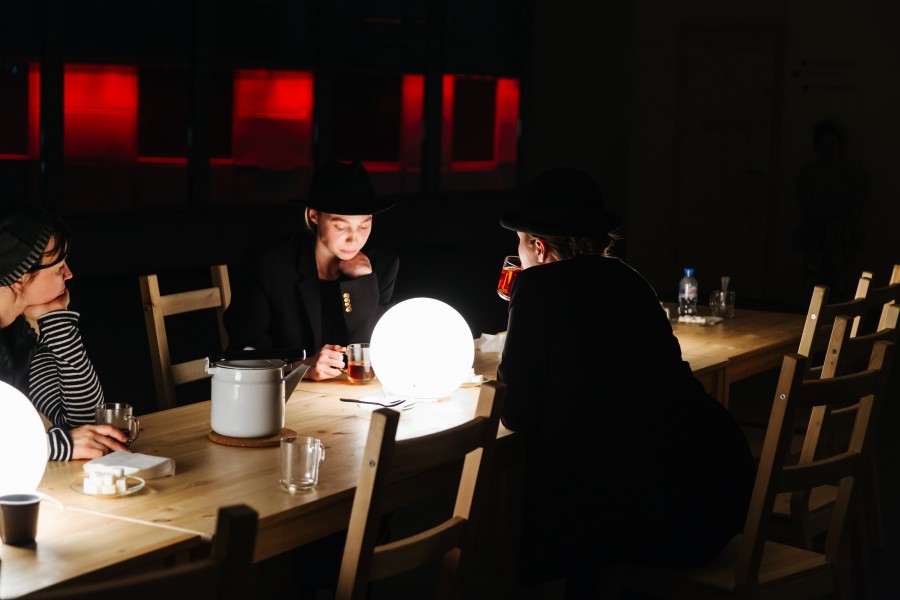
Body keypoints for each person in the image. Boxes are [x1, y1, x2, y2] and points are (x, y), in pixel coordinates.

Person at [496, 168, 756, 597]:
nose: (519, 254)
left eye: (520, 243)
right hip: (715, 497)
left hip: (650, 520)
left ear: (539, 247)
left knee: (546, 498)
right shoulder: (630, 280)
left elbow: (516, 412)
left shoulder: (538, 288)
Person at [225, 159, 398, 381]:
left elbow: (379, 353)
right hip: (283, 394)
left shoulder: (381, 264)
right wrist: (300, 368)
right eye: (341, 226)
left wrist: (363, 284)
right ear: (314, 215)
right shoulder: (269, 264)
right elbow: (243, 353)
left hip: (351, 394)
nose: (354, 239)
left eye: (364, 225)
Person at [0, 206, 128, 461]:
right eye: (58, 267)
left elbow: (83, 422)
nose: (69, 274)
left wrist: (58, 321)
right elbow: (70, 438)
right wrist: (55, 445)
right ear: (20, 278)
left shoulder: (22, 334)